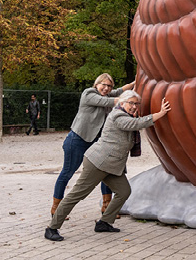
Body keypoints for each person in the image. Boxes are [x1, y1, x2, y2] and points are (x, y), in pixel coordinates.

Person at [44, 91, 171, 241]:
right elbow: (136, 124)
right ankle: (52, 228)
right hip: (98, 162)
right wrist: (161, 113)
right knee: (77, 195)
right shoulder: (118, 115)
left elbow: (135, 123)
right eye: (131, 103)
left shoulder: (128, 115)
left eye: (136, 103)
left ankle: (104, 222)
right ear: (122, 103)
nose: (134, 106)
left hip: (112, 165)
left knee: (124, 191)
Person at [50, 74, 134, 217]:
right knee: (67, 172)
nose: (106, 88)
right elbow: (109, 101)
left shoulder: (107, 93)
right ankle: (56, 206)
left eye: (109, 86)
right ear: (96, 84)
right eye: (104, 85)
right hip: (78, 139)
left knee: (106, 170)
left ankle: (106, 205)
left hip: (96, 142)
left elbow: (120, 90)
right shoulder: (89, 93)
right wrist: (131, 100)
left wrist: (138, 79)